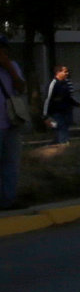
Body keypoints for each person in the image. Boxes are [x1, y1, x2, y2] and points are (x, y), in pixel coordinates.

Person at [0, 43, 27, 206]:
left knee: (11, 162)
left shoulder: (13, 66)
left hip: (11, 121)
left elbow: (21, 88)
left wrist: (9, 67)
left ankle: (9, 199)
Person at [46, 63, 79, 145]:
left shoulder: (66, 83)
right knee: (60, 127)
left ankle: (61, 142)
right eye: (65, 71)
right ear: (58, 72)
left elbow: (68, 97)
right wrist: (45, 115)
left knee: (65, 127)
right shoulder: (53, 84)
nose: (67, 73)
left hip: (66, 110)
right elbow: (47, 99)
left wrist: (78, 105)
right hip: (56, 111)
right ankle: (62, 143)